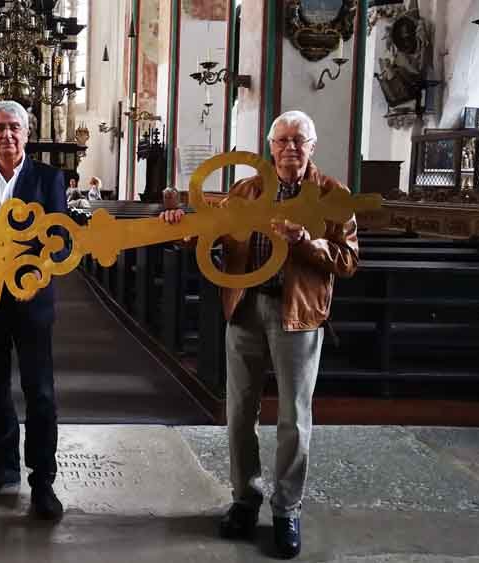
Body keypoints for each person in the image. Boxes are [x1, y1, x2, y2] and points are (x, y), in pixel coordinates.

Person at [161, 110, 359, 559]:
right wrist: (182, 226)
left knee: (293, 417)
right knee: (239, 412)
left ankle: (287, 509)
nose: (290, 148)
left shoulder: (333, 194)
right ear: (270, 147)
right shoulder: (248, 189)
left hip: (299, 315)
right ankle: (244, 498)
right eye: (282, 140)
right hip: (246, 308)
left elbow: (347, 260)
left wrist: (307, 239)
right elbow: (216, 233)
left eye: (298, 141)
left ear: (313, 146)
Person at [0, 100, 68, 520]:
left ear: (27, 133)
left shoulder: (48, 179)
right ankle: (5, 467)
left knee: (39, 393)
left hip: (31, 304)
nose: (7, 135)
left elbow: (62, 239)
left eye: (14, 128)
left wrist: (35, 274)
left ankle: (43, 481)